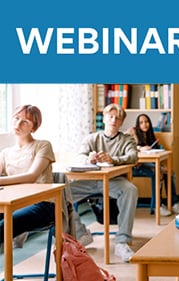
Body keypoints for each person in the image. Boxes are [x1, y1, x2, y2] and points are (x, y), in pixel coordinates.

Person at [68, 103, 139, 263]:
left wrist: (113, 159)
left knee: (131, 190)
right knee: (61, 194)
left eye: (118, 118)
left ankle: (122, 241)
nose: (114, 120)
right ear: (104, 118)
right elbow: (79, 156)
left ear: (121, 122)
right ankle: (80, 233)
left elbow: (133, 156)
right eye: (110, 116)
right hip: (90, 181)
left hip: (115, 181)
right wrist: (88, 159)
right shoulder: (92, 138)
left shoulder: (126, 139)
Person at [0, 105, 56, 249]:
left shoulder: (43, 145)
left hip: (41, 204)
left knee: (3, 227)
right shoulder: (6, 153)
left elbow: (32, 176)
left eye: (25, 122)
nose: (18, 124)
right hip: (13, 203)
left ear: (34, 127)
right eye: (17, 118)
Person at [127, 113, 179, 216]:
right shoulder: (133, 135)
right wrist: (140, 148)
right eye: (141, 122)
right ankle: (157, 206)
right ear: (137, 125)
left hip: (147, 164)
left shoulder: (150, 135)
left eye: (146, 122)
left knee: (169, 172)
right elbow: (130, 147)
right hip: (136, 167)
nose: (144, 124)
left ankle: (173, 204)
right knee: (158, 172)